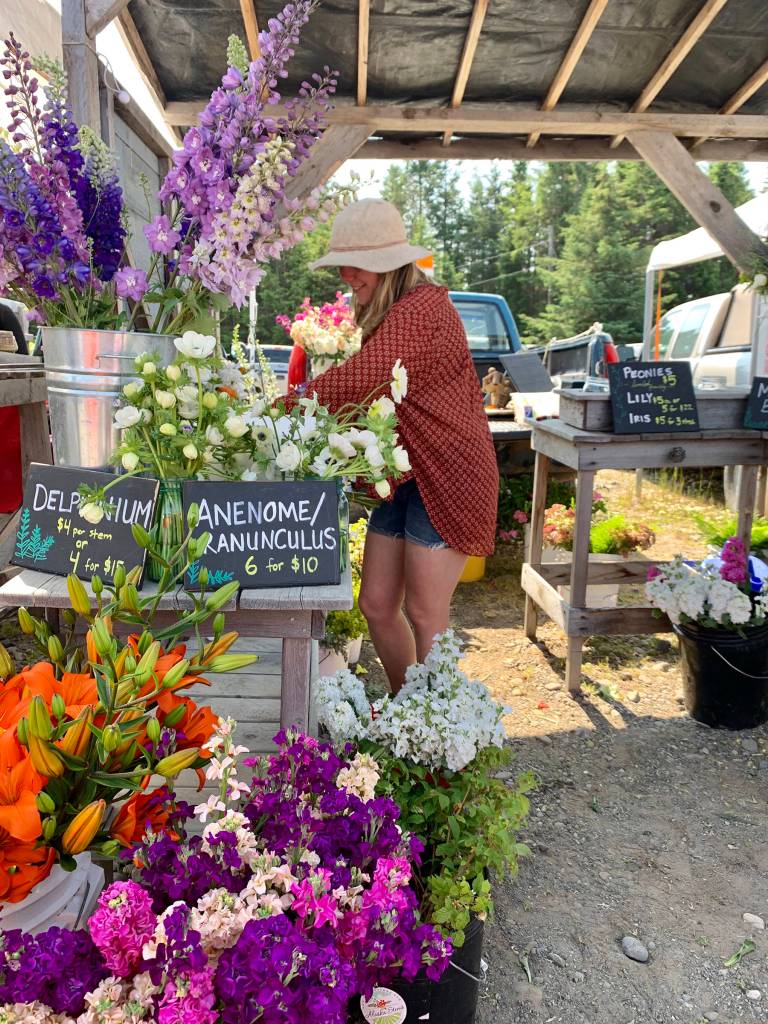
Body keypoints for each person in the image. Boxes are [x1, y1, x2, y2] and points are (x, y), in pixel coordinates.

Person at [302, 198, 499, 693]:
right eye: (342, 264)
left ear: (387, 263)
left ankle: (440, 741)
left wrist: (284, 406)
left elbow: (363, 381)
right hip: (407, 474)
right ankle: (406, 709)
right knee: (376, 604)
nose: (347, 275)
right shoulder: (392, 314)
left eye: (355, 263)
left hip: (450, 476)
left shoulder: (425, 307)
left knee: (426, 611)